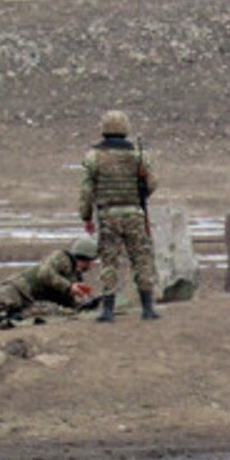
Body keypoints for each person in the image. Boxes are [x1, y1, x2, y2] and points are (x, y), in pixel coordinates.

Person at [79, 110, 160, 322]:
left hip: (107, 215)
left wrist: (86, 217)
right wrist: (139, 196)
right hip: (134, 212)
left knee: (109, 261)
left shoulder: (93, 157)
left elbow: (86, 191)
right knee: (141, 259)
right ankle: (147, 307)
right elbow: (152, 183)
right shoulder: (138, 156)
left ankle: (108, 310)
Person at [0, 238, 99, 334]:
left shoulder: (74, 275)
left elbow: (66, 302)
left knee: (46, 312)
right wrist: (69, 288)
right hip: (19, 288)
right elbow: (44, 273)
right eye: (93, 261)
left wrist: (84, 303)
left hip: (30, 300)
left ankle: (9, 318)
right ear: (86, 258)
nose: (94, 265)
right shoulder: (61, 258)